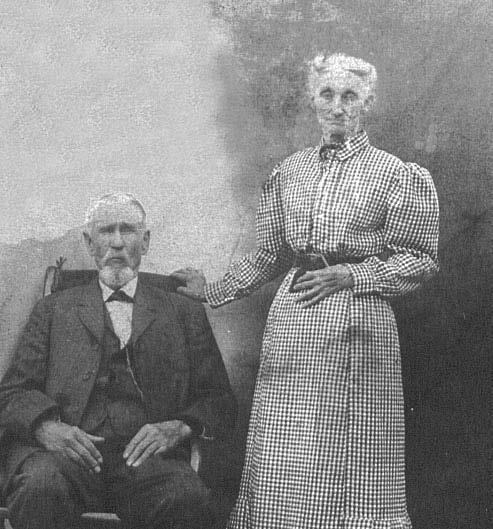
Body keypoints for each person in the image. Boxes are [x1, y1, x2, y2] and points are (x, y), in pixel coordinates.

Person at [172, 52, 439, 529]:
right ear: (313, 101)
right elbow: (269, 256)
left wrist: (352, 276)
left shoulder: (396, 174)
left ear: (367, 104)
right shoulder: (289, 172)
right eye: (327, 94)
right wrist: (211, 291)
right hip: (293, 323)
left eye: (350, 96)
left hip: (359, 325)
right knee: (286, 447)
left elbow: (421, 258)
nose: (337, 107)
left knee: (349, 452)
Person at [0, 192, 236, 529]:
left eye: (127, 230)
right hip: (65, 457)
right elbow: (12, 393)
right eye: (105, 231)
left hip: (149, 462)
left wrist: (177, 428)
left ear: (145, 241)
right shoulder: (53, 309)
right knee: (40, 486)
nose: (116, 242)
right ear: (89, 243)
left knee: (187, 497)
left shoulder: (183, 312)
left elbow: (219, 400)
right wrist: (46, 428)